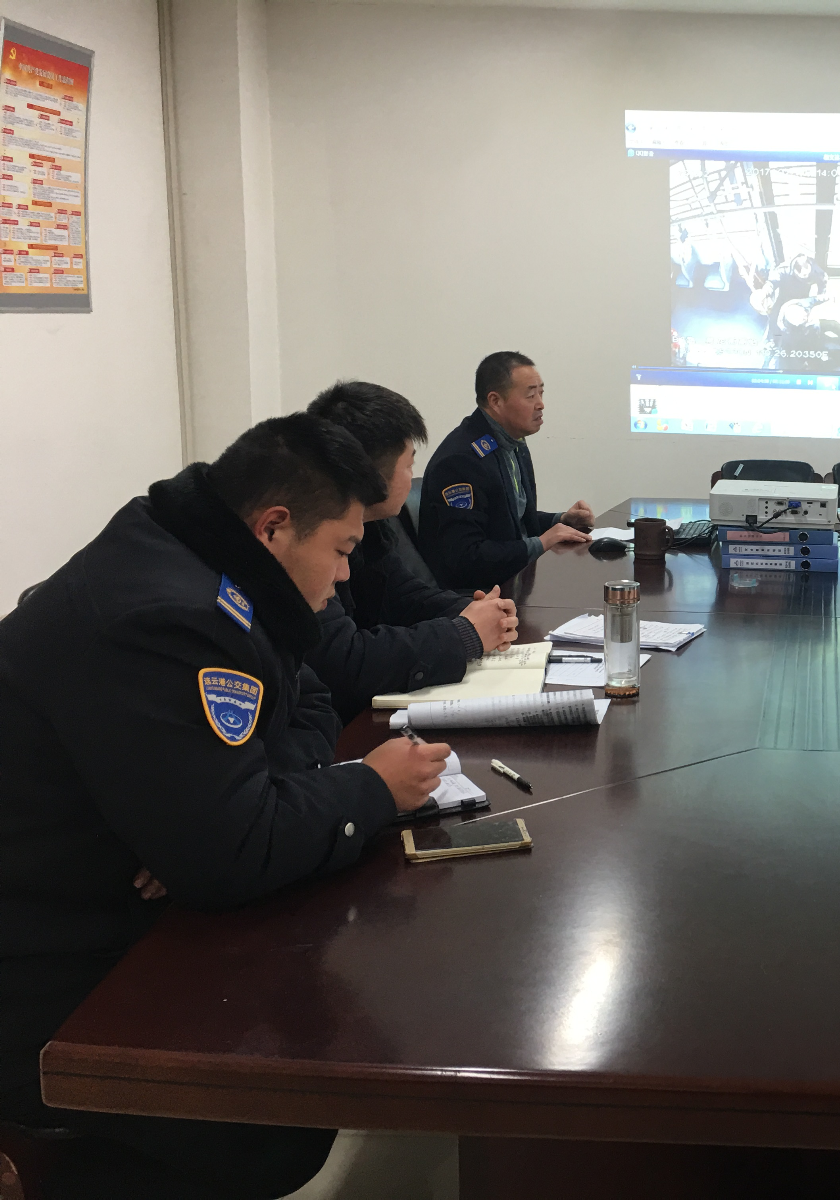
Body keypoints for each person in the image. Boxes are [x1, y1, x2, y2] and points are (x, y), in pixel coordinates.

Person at [0, 414, 452, 1198]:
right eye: (342, 549)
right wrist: (371, 787)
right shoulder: (165, 613)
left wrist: (231, 795)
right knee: (273, 1126)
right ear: (274, 527)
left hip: (119, 910)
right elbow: (231, 853)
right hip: (50, 966)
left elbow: (308, 702)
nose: (347, 575)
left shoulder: (211, 562)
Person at [306, 380, 520, 720]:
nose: (412, 477)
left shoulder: (371, 524)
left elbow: (401, 593)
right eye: (409, 465)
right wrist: (462, 634)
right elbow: (344, 660)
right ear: (371, 475)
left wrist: (473, 610)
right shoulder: (308, 537)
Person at [419, 351, 593, 592]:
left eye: (541, 393)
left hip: (512, 581)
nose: (541, 404)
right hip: (477, 595)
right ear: (495, 401)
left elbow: (510, 521)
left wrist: (560, 520)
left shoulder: (513, 443)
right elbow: (466, 557)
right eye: (530, 395)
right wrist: (542, 543)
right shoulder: (461, 460)